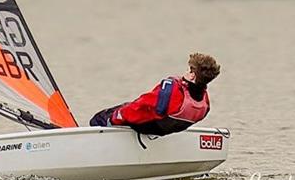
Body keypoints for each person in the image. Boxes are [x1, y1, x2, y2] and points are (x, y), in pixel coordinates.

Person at [89, 53, 220, 136]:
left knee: (98, 119)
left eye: (188, 69)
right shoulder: (204, 102)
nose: (184, 72)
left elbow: (142, 104)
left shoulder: (173, 88)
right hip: (164, 130)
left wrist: (117, 117)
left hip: (145, 125)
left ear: (192, 75)